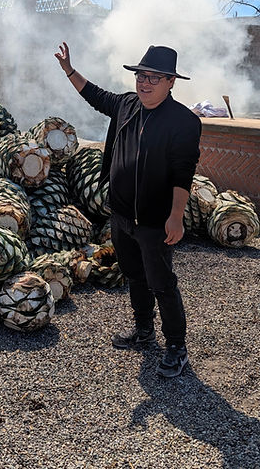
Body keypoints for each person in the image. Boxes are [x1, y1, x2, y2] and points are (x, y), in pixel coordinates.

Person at [55, 42, 201, 378]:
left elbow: (183, 172)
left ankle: (176, 347)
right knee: (135, 276)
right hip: (121, 214)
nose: (145, 82)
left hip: (154, 220)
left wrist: (176, 216)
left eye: (154, 78)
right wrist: (68, 69)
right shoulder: (126, 104)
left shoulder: (183, 121)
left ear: (171, 82)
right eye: (141, 75)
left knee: (162, 282)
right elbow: (94, 94)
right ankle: (144, 331)